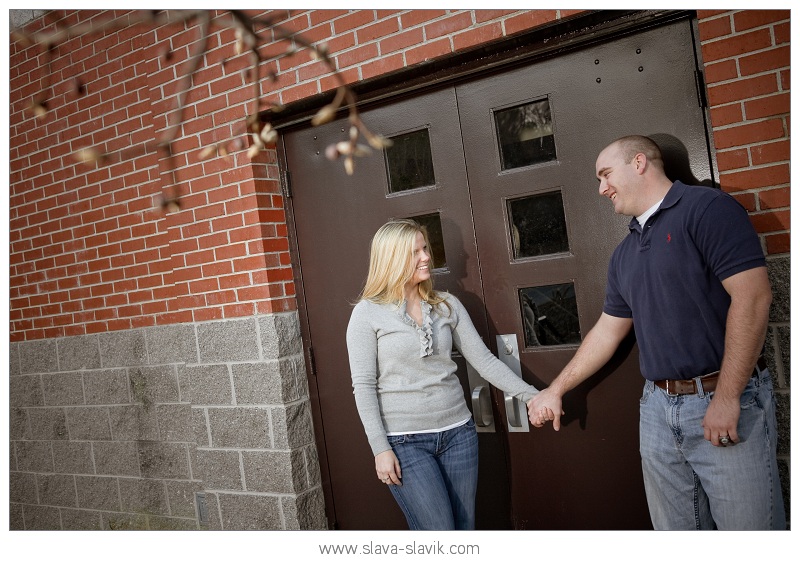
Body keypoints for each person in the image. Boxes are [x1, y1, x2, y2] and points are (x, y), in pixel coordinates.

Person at [527, 135, 785, 530]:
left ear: (639, 162)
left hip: (721, 401)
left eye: (605, 174)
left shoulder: (707, 209)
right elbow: (607, 332)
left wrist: (727, 397)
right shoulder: (624, 254)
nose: (601, 188)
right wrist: (556, 388)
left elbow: (752, 298)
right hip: (658, 412)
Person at [346, 218, 538, 530]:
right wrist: (380, 449)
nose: (426, 257)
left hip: (458, 434)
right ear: (392, 258)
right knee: (439, 533)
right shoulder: (367, 313)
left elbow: (484, 362)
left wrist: (533, 396)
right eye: (415, 252)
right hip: (404, 443)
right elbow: (364, 386)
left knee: (464, 528)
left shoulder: (447, 305)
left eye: (425, 249)